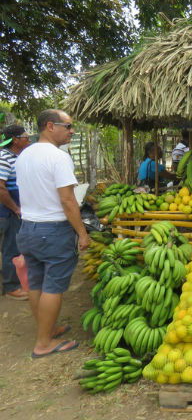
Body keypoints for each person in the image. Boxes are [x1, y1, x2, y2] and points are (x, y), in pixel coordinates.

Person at [15, 109, 90, 358]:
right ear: (50, 126)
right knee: (54, 287)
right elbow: (68, 200)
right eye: (68, 126)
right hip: (52, 230)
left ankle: (47, 330)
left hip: (28, 227)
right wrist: (82, 233)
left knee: (36, 283)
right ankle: (44, 344)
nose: (72, 131)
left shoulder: (25, 154)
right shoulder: (58, 157)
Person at [0, 125, 31, 300]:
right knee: (11, 248)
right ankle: (11, 286)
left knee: (11, 245)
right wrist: (15, 208)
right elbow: (0, 188)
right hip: (7, 211)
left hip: (13, 210)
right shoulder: (4, 158)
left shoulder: (16, 157)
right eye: (25, 136)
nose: (28, 139)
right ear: (15, 140)